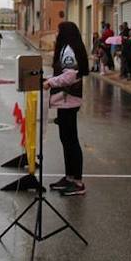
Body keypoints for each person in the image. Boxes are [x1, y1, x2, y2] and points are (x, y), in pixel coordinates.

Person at [44, 21, 89, 197]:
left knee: (71, 141)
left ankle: (77, 182)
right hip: (64, 101)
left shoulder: (69, 50)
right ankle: (69, 177)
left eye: (58, 31)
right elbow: (63, 73)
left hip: (69, 100)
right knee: (66, 139)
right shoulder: (67, 48)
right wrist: (48, 78)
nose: (56, 34)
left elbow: (70, 76)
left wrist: (50, 82)